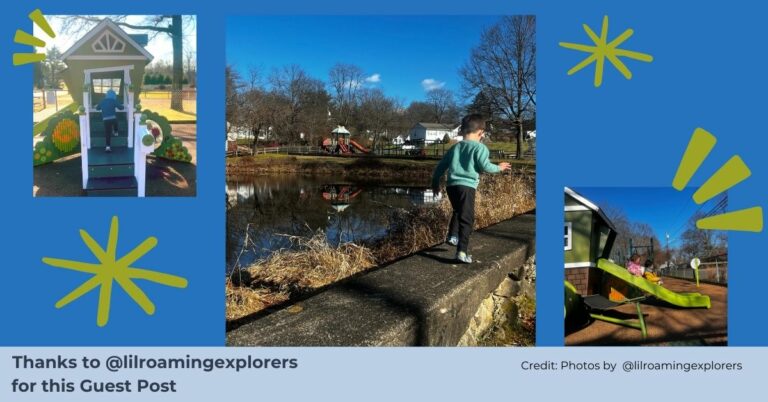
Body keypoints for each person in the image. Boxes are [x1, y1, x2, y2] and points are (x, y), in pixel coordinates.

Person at [431, 114, 511, 263]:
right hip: (467, 187)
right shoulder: (480, 148)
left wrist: (435, 184)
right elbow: (485, 166)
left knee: (457, 211)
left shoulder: (455, 147)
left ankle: (452, 236)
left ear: (463, 130)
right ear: (481, 132)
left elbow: (440, 167)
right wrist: (499, 167)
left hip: (451, 186)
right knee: (467, 219)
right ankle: (461, 252)